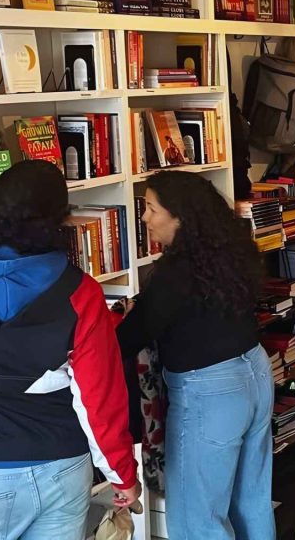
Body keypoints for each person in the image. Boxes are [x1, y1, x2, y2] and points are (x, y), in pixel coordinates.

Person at [0, 160, 140, 539]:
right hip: (62, 468)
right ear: (59, 220)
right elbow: (99, 397)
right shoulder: (81, 292)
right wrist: (122, 476)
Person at [114, 171, 273, 540]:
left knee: (196, 520)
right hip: (254, 373)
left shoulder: (173, 275)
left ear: (180, 217)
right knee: (251, 502)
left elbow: (130, 337)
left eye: (151, 209)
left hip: (210, 394)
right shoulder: (229, 253)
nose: (145, 219)